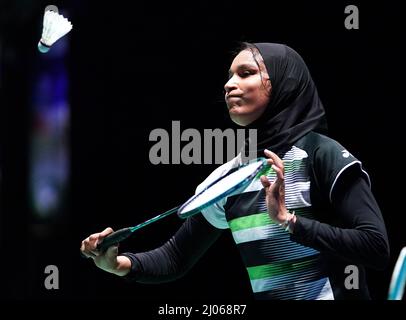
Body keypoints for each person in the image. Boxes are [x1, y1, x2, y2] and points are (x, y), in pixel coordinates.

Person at [80, 42, 390, 300]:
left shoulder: (323, 155)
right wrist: (119, 264)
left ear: (286, 83)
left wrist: (289, 221)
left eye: (246, 73)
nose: (229, 85)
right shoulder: (231, 177)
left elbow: (375, 246)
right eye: (230, 76)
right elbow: (176, 257)